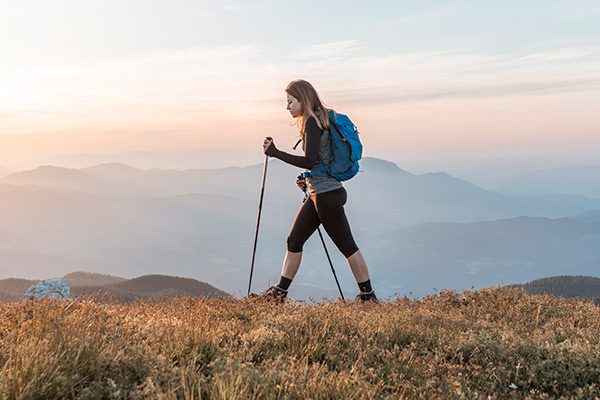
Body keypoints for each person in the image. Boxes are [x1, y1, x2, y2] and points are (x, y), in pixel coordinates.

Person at [258, 79, 378, 303]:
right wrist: (307, 179)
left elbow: (310, 160)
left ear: (302, 100)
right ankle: (279, 293)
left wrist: (275, 153)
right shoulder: (317, 119)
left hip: (326, 197)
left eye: (290, 102)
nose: (288, 107)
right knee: (294, 240)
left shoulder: (313, 122)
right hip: (320, 193)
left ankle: (368, 296)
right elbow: (318, 162)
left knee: (347, 246)